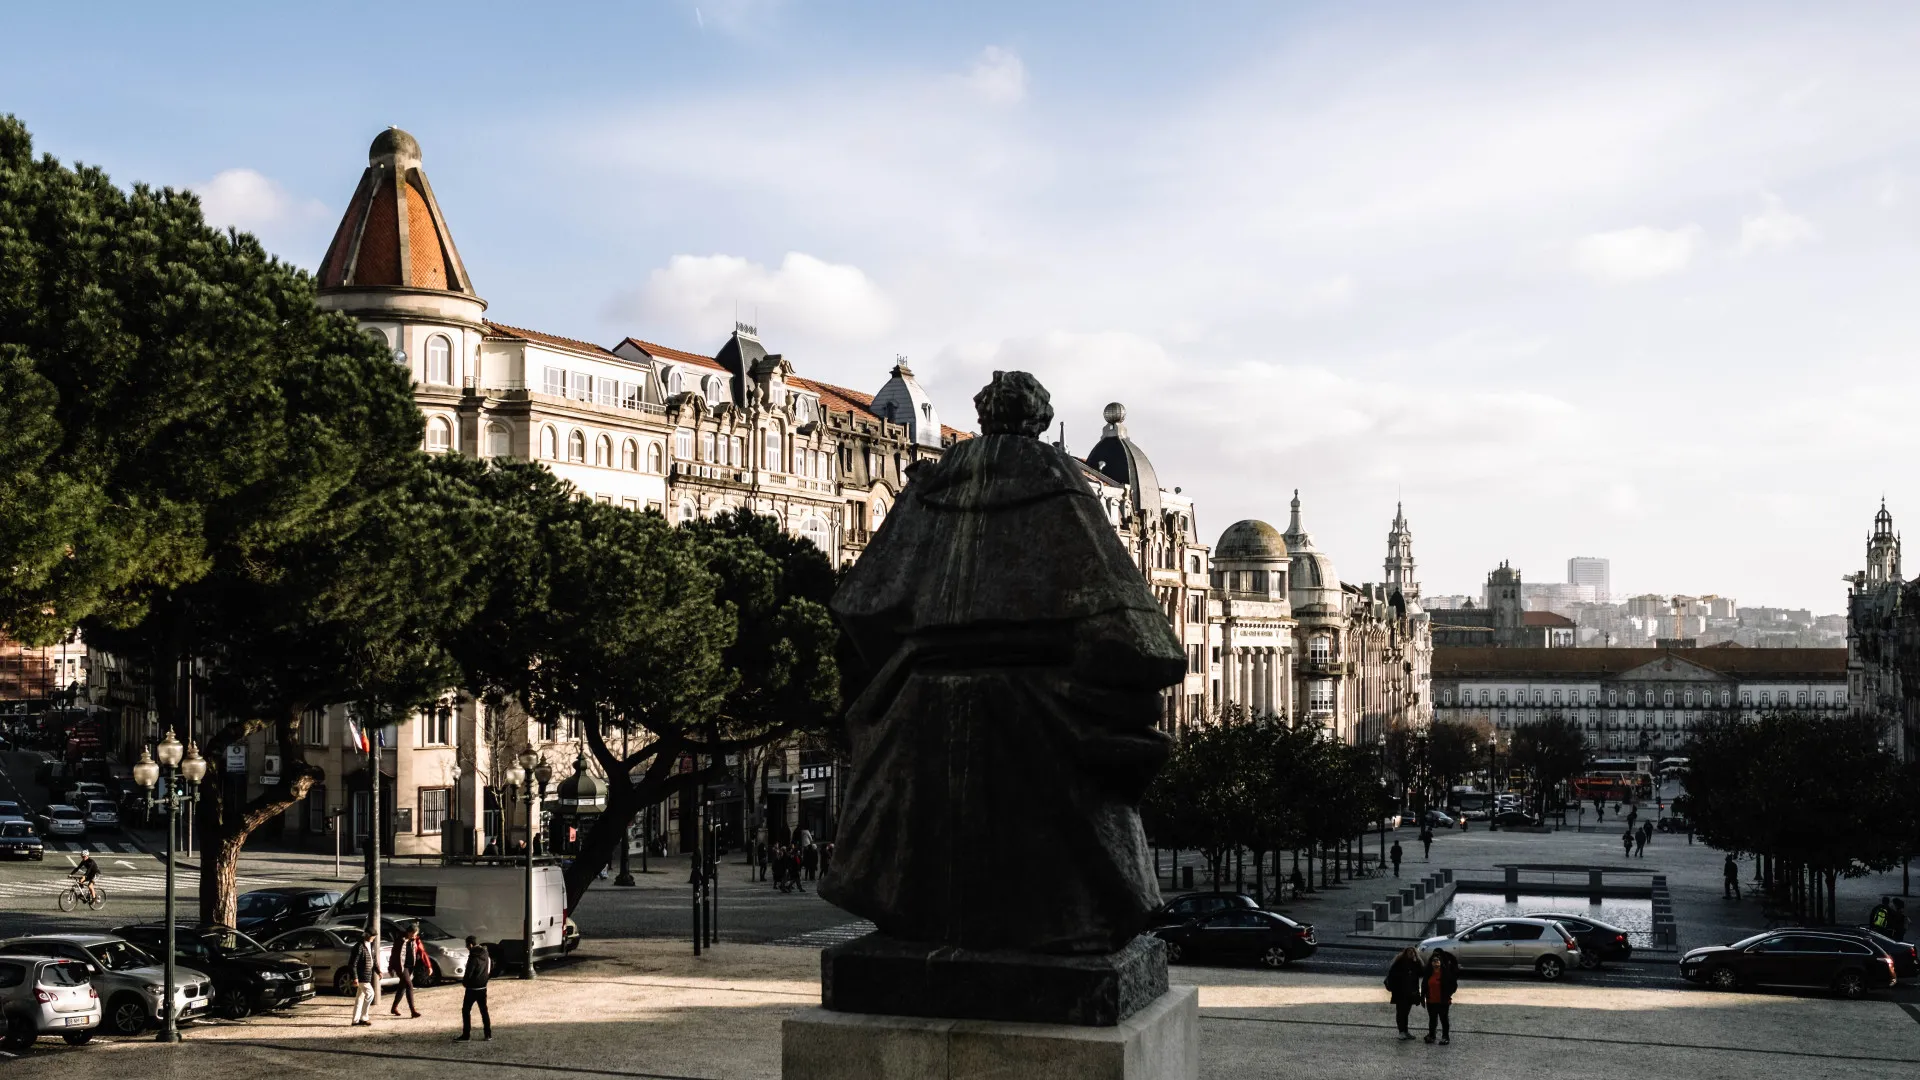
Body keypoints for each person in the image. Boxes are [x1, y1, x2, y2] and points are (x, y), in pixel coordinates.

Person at [455, 936, 492, 1041]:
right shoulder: (485, 953)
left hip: (472, 988)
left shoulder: (473, 956)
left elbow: (469, 972)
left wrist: (465, 982)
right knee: (484, 1010)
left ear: (470, 945)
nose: (467, 948)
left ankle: (466, 1035)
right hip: (483, 986)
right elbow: (489, 967)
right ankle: (488, 1034)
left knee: (466, 1010)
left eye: (467, 946)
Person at [388, 923, 429, 1018]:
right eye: (413, 934)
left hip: (410, 966)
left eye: (415, 934)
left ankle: (394, 1008)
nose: (414, 936)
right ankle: (413, 1010)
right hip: (401, 967)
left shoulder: (415, 941)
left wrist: (428, 966)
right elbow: (393, 954)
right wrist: (390, 968)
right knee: (409, 985)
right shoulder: (400, 940)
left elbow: (422, 953)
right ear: (408, 932)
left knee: (402, 986)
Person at [1384, 947, 1424, 1039]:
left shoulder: (1414, 963)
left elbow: (1422, 972)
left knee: (1405, 1013)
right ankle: (1401, 1031)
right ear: (1405, 953)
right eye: (1409, 952)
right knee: (1401, 1012)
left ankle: (1405, 1031)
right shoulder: (1399, 962)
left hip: (1410, 992)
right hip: (1400, 992)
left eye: (1413, 952)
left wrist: (1417, 960)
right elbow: (1392, 976)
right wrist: (1395, 989)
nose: (1411, 953)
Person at [1422, 949, 1458, 1045]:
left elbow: (1453, 985)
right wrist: (1422, 997)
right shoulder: (1428, 973)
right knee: (1432, 1020)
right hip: (1431, 1001)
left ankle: (1445, 1037)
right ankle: (1432, 1035)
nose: (1435, 962)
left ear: (1441, 962)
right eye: (1433, 961)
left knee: (1444, 1019)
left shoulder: (1446, 973)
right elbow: (1424, 986)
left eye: (1437, 960)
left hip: (1443, 1001)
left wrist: (1448, 994)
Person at [347, 929, 379, 1026]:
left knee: (360, 998)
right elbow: (353, 963)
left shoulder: (370, 945)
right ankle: (363, 1018)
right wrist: (355, 977)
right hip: (362, 976)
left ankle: (355, 1020)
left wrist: (378, 971)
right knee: (370, 994)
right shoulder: (359, 946)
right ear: (367, 935)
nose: (373, 939)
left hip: (365, 975)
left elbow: (373, 959)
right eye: (373, 937)